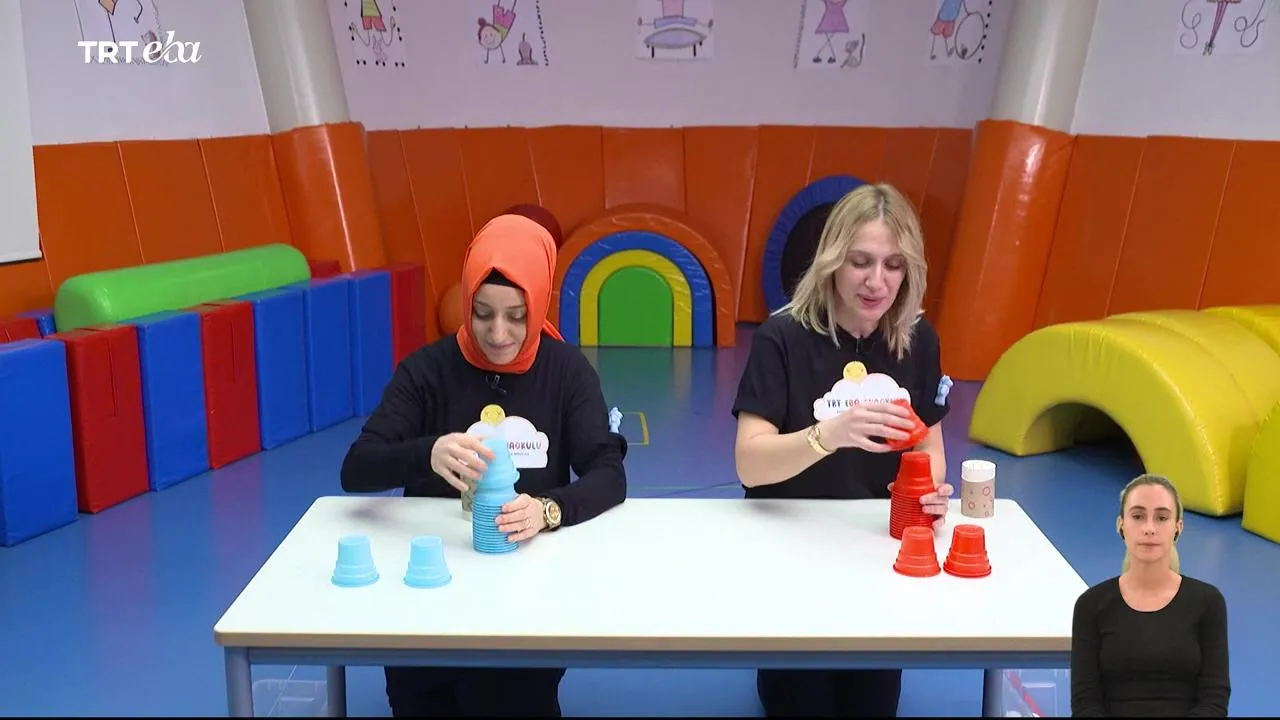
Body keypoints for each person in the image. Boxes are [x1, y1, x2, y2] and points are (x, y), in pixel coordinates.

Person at [339, 213, 628, 718]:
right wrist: (426, 453)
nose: (498, 334)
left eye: (517, 315)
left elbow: (608, 473)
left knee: (512, 698)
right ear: (466, 301)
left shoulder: (566, 373)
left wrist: (547, 510)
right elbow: (356, 468)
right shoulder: (427, 370)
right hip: (430, 594)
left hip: (524, 596)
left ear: (539, 303)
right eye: (482, 313)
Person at [731, 182, 954, 717]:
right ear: (832, 260)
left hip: (875, 549)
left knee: (871, 705)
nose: (877, 282)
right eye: (861, 262)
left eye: (893, 265)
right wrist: (826, 434)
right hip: (790, 545)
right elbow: (749, 463)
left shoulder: (917, 339)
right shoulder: (782, 337)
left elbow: (928, 441)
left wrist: (928, 492)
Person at [1070, 474, 1230, 717]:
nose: (1149, 529)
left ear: (1177, 528)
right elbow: (1085, 703)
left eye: (1162, 518)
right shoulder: (1091, 605)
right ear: (1121, 525)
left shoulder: (1208, 603)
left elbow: (1214, 700)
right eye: (1137, 516)